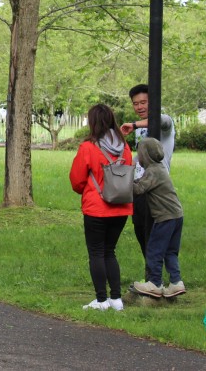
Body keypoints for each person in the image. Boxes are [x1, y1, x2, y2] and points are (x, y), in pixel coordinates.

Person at [69, 103, 134, 311]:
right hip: (121, 206)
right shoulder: (124, 147)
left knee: (96, 252)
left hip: (97, 207)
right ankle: (116, 299)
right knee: (109, 251)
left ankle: (101, 300)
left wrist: (88, 190)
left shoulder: (88, 147)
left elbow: (77, 180)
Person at [119, 84, 175, 277]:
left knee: (154, 235)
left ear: (154, 102)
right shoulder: (141, 129)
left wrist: (134, 124)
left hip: (157, 189)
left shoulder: (165, 123)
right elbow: (140, 157)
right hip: (140, 188)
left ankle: (159, 279)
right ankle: (151, 276)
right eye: (136, 104)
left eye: (143, 102)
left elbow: (159, 120)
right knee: (141, 232)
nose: (139, 107)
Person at [131, 138, 185, 298]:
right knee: (170, 251)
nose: (138, 158)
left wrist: (123, 179)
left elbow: (139, 189)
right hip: (176, 215)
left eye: (139, 154)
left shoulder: (152, 171)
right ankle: (176, 282)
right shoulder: (160, 168)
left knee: (154, 250)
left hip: (164, 217)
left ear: (145, 155)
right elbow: (143, 182)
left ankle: (154, 283)